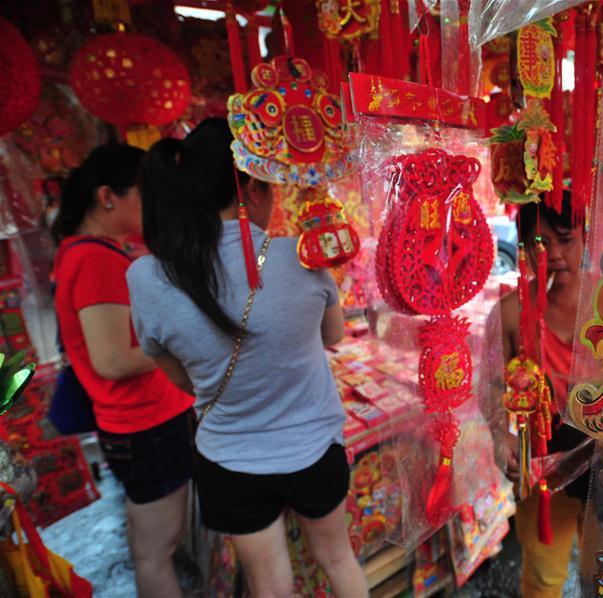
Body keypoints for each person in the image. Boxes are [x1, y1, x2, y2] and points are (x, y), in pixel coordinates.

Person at [128, 118, 368, 597]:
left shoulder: (145, 277)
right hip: (314, 448)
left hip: (230, 460)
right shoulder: (302, 255)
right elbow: (334, 335)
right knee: (338, 560)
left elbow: (183, 379)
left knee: (269, 584)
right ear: (252, 189)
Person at [52, 144, 195, 598]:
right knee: (158, 549)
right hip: (146, 423)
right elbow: (111, 360)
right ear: (107, 197)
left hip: (139, 422)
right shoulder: (95, 260)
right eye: (143, 194)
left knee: (148, 538)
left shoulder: (87, 251)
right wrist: (182, 346)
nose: (150, 207)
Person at [496, 193, 593, 598]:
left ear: (586, 237)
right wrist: (500, 439)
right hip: (541, 467)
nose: (553, 254)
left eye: (565, 240)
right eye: (539, 244)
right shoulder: (511, 312)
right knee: (544, 578)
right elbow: (491, 389)